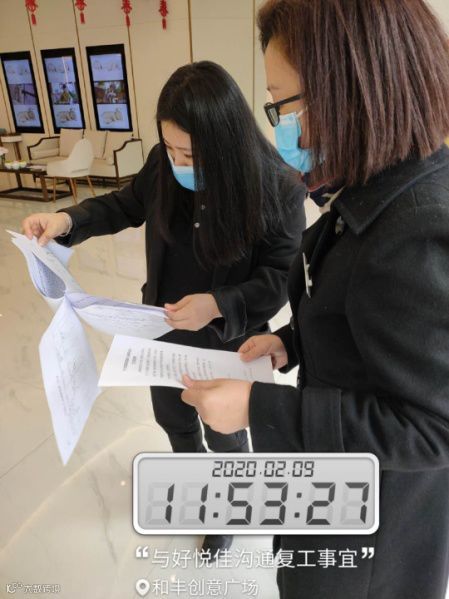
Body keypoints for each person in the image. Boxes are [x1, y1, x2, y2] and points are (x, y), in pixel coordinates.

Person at [181, 1, 449, 597]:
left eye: (283, 103)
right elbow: (368, 322)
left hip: (372, 542)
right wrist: (291, 342)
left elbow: (432, 425)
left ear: (350, 89)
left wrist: (260, 409)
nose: (280, 124)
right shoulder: (377, 186)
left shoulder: (414, 229)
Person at [21, 61, 306, 559]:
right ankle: (193, 490)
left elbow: (278, 279)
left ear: (226, 143)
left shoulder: (277, 187)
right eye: (171, 148)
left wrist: (217, 305)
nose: (178, 162)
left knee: (226, 431)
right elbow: (123, 205)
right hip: (162, 330)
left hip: (229, 344)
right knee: (174, 419)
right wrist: (66, 219)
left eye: (190, 154)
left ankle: (228, 507)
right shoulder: (163, 165)